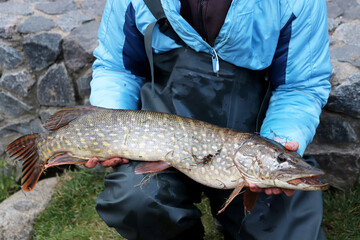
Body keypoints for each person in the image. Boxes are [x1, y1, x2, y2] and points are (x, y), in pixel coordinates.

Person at [86, 0, 332, 239]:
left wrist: (280, 142)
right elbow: (117, 67)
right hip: (162, 140)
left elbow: (300, 86)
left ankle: (234, 214)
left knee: (287, 232)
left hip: (255, 134)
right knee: (136, 201)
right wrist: (107, 127)